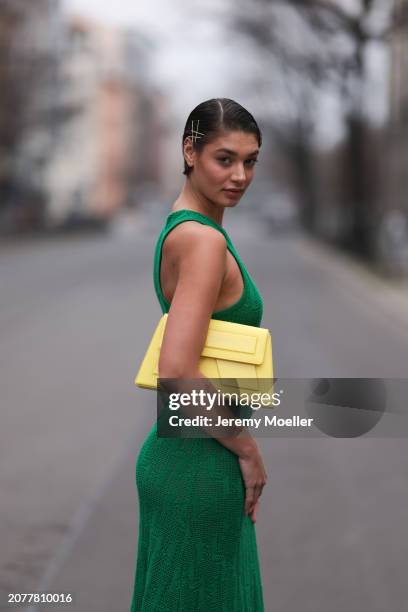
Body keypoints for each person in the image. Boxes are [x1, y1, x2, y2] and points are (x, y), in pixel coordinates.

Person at [130, 98, 268, 611]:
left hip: (190, 456)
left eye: (250, 161)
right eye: (224, 158)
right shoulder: (203, 242)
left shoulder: (184, 226)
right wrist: (248, 450)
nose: (240, 176)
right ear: (190, 151)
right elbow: (178, 372)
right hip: (199, 464)